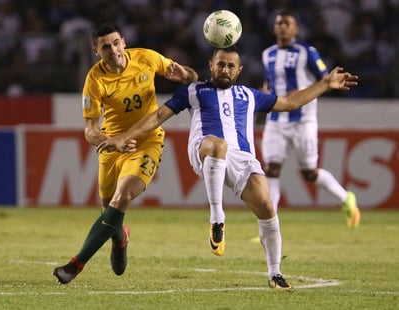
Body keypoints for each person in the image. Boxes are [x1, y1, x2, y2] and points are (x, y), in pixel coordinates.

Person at [96, 46, 358, 289]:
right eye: (221, 65)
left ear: (239, 70)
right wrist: (123, 137)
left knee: (267, 206)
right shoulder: (194, 91)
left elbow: (290, 103)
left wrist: (325, 84)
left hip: (242, 159)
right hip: (205, 149)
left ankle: (275, 273)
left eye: (231, 66)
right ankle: (217, 218)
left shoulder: (250, 95)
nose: (225, 70)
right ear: (211, 65)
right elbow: (156, 117)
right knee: (218, 145)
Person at [52, 23, 198, 284]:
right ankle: (120, 238)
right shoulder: (94, 80)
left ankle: (75, 265)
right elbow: (89, 131)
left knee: (122, 198)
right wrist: (112, 141)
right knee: (109, 213)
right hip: (112, 146)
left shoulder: (147, 58)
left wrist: (185, 73)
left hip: (146, 141)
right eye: (105, 46)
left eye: (116, 43)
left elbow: (192, 79)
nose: (113, 50)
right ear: (96, 51)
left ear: (124, 42)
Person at [260, 10, 360, 228]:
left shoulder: (307, 52)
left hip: (303, 120)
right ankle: (270, 223)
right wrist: (264, 94)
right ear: (274, 28)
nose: (283, 27)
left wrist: (331, 82)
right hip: (276, 120)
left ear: (296, 29)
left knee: (309, 173)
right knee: (272, 169)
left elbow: (324, 78)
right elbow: (269, 82)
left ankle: (346, 198)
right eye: (279, 23)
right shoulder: (267, 54)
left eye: (287, 23)